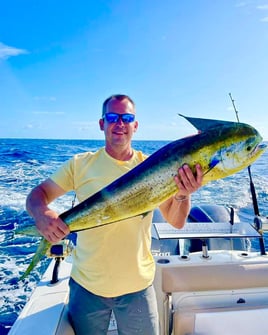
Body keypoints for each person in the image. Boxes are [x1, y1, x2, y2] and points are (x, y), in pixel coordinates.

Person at [26, 94, 203, 335]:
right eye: (113, 117)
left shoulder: (153, 166)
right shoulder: (80, 165)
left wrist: (183, 194)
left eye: (127, 118)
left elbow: (177, 221)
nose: (120, 123)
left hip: (137, 288)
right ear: (102, 124)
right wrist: (42, 213)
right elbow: (39, 194)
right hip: (87, 287)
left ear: (135, 126)